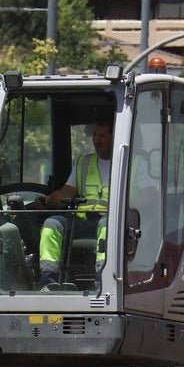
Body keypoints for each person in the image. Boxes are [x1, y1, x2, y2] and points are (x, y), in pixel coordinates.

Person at [37, 109, 114, 284]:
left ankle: (103, 280)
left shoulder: (129, 161)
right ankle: (49, 281)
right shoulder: (83, 163)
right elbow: (66, 193)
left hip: (114, 223)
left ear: (114, 136)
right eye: (94, 135)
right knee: (52, 224)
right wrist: (48, 200)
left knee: (106, 226)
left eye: (102, 136)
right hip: (83, 222)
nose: (96, 140)